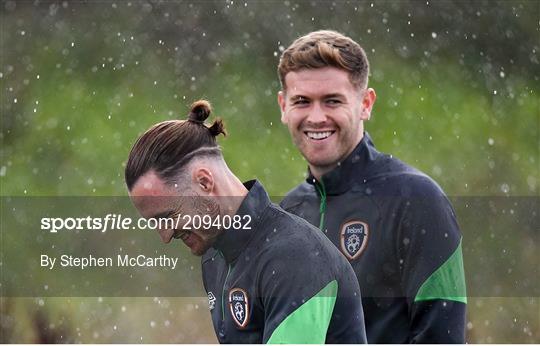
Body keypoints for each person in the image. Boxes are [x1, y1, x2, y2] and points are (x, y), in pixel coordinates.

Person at [278, 30, 467, 343]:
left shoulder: (417, 200)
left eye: (332, 101)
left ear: (365, 103)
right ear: (284, 106)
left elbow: (442, 337)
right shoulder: (287, 214)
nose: (316, 116)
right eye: (302, 101)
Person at [124, 100, 367, 343]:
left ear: (205, 183)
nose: (164, 236)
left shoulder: (296, 256)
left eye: (167, 217)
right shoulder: (214, 257)